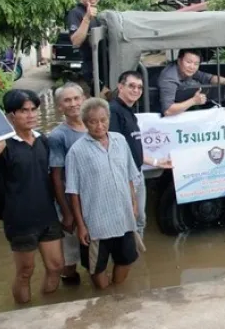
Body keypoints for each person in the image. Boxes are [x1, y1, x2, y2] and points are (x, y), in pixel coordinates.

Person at [0, 89, 65, 304]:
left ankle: (48, 309)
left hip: (47, 215)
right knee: (25, 271)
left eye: (33, 110)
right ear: (10, 116)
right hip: (19, 220)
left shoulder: (43, 140)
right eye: (23, 111)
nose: (31, 115)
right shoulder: (2, 146)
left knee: (56, 267)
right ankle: (23, 314)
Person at [66, 98, 140, 289]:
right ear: (85, 123)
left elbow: (130, 175)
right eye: (93, 121)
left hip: (123, 216)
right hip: (96, 222)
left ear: (108, 118)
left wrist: (133, 203)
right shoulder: (77, 151)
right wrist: (81, 225)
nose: (99, 125)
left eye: (103, 120)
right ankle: (104, 299)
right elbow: (73, 192)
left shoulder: (120, 141)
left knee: (127, 260)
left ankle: (115, 296)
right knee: (96, 269)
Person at [109, 71, 171, 238]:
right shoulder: (114, 111)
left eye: (139, 87)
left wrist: (156, 161)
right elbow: (115, 150)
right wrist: (127, 183)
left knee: (139, 220)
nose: (136, 90)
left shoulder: (128, 111)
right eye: (131, 86)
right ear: (120, 86)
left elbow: (132, 148)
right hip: (125, 177)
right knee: (132, 220)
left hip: (136, 172)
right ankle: (129, 259)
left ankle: (136, 258)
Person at [48, 82, 88, 286]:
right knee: (70, 257)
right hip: (71, 203)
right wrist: (67, 212)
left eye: (76, 98)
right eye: (67, 100)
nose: (73, 104)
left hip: (93, 201)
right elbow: (56, 176)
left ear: (84, 100)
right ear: (59, 107)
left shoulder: (95, 126)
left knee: (96, 251)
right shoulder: (58, 136)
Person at [158, 49, 225, 117]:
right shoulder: (169, 77)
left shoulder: (188, 70)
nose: (192, 67)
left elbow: (208, 78)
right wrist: (194, 101)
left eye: (196, 64)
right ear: (179, 61)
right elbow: (167, 111)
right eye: (188, 62)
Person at [66, 0, 105, 96]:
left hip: (105, 68)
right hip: (93, 71)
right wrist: (87, 18)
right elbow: (76, 41)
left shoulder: (97, 15)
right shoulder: (76, 13)